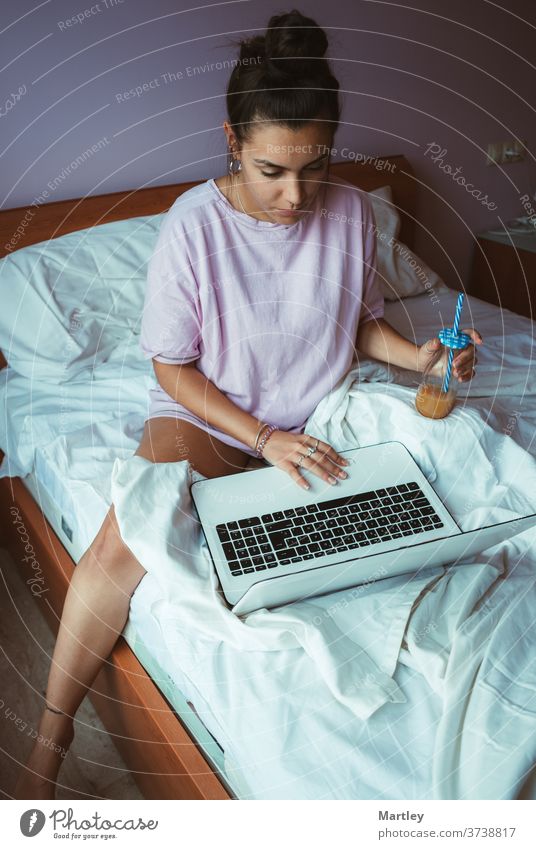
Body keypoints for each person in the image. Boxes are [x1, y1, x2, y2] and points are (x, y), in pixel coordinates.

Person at [14, 8, 480, 799]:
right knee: (123, 544)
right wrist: (262, 437)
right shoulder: (193, 227)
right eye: (272, 171)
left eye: (315, 166)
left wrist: (420, 355)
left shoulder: (356, 212)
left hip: (322, 410)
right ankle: (47, 751)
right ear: (232, 142)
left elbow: (356, 325)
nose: (296, 196)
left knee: (456, 488)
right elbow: (172, 368)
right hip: (216, 416)